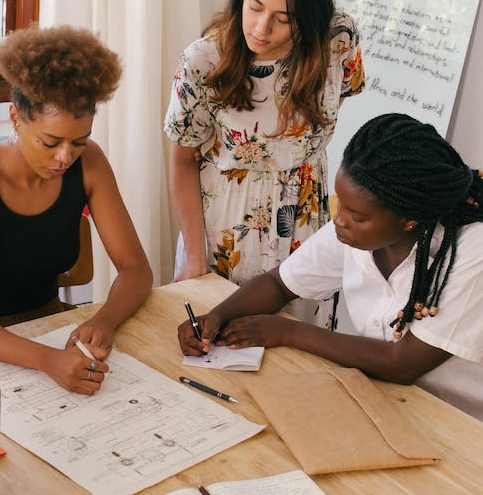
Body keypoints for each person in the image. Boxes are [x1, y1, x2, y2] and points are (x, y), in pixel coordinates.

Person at [178, 114, 483, 420]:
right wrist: (218, 316)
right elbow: (279, 284)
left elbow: (401, 363)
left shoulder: (471, 251)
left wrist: (288, 332)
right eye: (342, 204)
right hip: (387, 398)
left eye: (357, 215)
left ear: (409, 219)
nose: (338, 219)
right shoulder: (355, 229)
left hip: (460, 420)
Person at [0, 25, 153, 395]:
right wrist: (48, 360)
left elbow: (136, 269)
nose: (65, 157)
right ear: (16, 118)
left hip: (48, 327)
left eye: (78, 142)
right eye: (50, 142)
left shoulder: (89, 163)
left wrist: (105, 320)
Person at [164, 0, 365, 327]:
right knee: (220, 344)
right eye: (254, 6)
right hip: (227, 226)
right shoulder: (204, 60)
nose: (260, 27)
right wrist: (194, 256)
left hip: (306, 220)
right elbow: (182, 160)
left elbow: (340, 98)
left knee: (301, 352)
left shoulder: (338, 41)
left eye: (283, 18)